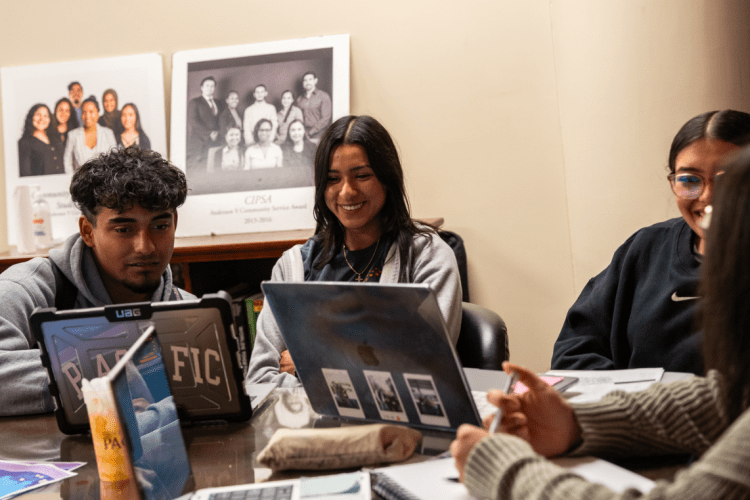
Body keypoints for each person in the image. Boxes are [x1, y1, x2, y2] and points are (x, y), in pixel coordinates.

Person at [452, 143, 750, 500]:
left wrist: (503, 469)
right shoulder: (646, 246)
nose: (708, 203)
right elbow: (724, 399)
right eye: (690, 180)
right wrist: (575, 423)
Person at [246, 115, 462, 387]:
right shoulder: (294, 267)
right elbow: (259, 380)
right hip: (307, 428)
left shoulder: (428, 257)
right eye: (333, 179)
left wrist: (307, 362)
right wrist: (366, 363)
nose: (347, 192)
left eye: (362, 175)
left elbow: (422, 369)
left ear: (387, 178)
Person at [551, 109, 750, 374]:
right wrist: (626, 402)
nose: (707, 197)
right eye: (689, 180)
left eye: (728, 181)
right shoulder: (645, 249)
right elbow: (573, 350)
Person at [0, 146, 192, 417]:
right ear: (88, 232)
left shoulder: (192, 313)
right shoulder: (27, 289)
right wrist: (114, 370)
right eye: (124, 229)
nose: (145, 247)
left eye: (160, 226)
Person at [63, 96, 117, 173]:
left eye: (91, 112)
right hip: (80, 182)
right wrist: (72, 181)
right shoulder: (73, 135)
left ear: (98, 113)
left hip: (104, 181)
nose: (87, 116)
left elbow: (114, 160)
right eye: (84, 112)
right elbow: (67, 162)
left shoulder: (108, 133)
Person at [17, 104, 64, 176]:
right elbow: (25, 174)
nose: (42, 119)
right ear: (31, 117)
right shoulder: (24, 143)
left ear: (50, 119)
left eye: (45, 116)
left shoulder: (55, 139)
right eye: (38, 114)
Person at [187, 76, 222, 170]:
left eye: (212, 86)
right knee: (199, 169)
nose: (209, 88)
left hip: (215, 141)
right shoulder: (195, 102)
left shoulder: (218, 103)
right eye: (207, 86)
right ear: (202, 87)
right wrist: (209, 133)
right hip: (200, 142)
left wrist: (218, 133)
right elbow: (193, 121)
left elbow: (220, 120)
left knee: (213, 167)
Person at [296, 71, 332, 143]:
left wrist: (311, 132)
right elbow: (298, 118)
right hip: (303, 135)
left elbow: (326, 118)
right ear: (303, 83)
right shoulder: (299, 99)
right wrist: (302, 132)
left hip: (319, 135)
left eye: (310, 79)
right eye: (305, 80)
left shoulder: (323, 96)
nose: (307, 82)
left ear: (315, 81)